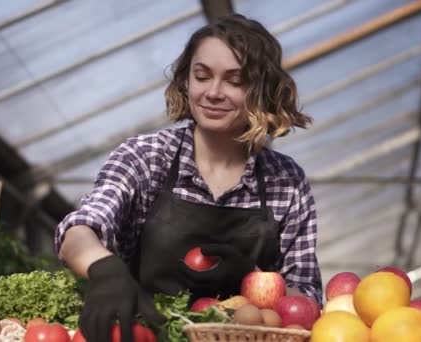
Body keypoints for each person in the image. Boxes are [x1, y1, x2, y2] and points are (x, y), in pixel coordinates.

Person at [54, 13, 322, 342]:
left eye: (234, 81)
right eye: (202, 76)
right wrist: (104, 269)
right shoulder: (147, 157)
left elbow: (307, 297)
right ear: (186, 80)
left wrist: (252, 275)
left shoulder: (287, 181)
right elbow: (81, 228)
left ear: (261, 90)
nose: (213, 92)